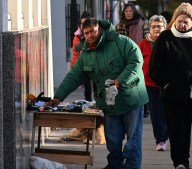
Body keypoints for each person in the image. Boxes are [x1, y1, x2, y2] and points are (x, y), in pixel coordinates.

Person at [46, 17, 148, 169]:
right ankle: (114, 165)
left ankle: (132, 166)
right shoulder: (85, 53)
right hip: (109, 102)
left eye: (93, 31)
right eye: (86, 33)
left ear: (99, 29)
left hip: (131, 98)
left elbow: (136, 60)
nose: (90, 36)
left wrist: (120, 81)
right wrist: (58, 97)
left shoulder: (121, 42)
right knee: (112, 140)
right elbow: (74, 76)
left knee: (133, 139)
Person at [149, 3, 192, 169]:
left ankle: (184, 158)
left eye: (186, 21)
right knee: (175, 128)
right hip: (171, 93)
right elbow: (155, 66)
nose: (182, 24)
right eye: (179, 20)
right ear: (175, 20)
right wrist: (166, 83)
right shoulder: (165, 37)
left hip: (191, 92)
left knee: (185, 127)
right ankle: (179, 161)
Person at [138, 15, 169, 151]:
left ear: (164, 27)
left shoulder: (169, 41)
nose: (156, 29)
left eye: (159, 26)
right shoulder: (143, 44)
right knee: (155, 114)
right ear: (149, 28)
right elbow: (136, 63)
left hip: (167, 84)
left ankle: (166, 135)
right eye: (153, 26)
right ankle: (161, 140)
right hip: (149, 84)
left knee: (167, 113)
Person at [70, 11, 97, 102]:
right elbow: (75, 53)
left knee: (97, 88)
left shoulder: (96, 34)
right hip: (84, 66)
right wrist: (73, 67)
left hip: (96, 65)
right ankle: (89, 105)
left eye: (86, 22)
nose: (84, 25)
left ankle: (99, 105)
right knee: (87, 89)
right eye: (82, 23)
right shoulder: (77, 36)